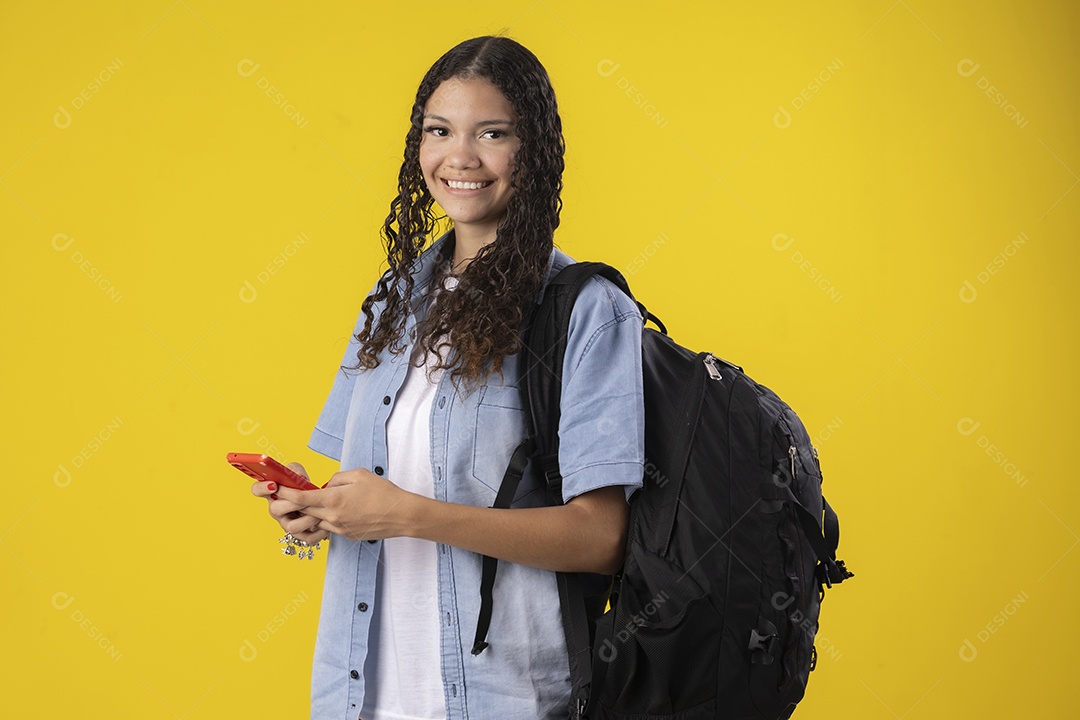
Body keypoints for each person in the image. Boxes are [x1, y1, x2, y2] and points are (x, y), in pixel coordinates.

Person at [251, 35, 645, 720]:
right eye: (440, 130)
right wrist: (315, 508)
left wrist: (409, 516)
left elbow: (600, 538)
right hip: (362, 697)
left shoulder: (585, 311)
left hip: (506, 700)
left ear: (535, 150)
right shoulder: (393, 300)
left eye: (492, 133)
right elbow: (371, 488)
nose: (460, 157)